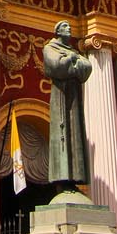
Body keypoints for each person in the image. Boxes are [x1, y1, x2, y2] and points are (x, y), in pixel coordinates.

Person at [42, 20, 92, 188]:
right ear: (57, 31)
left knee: (75, 134)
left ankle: (76, 177)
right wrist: (72, 62)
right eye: (65, 27)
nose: (69, 28)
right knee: (61, 133)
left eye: (69, 26)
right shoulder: (50, 48)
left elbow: (87, 67)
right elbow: (55, 67)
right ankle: (62, 178)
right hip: (60, 96)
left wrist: (71, 62)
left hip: (73, 96)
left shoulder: (73, 51)